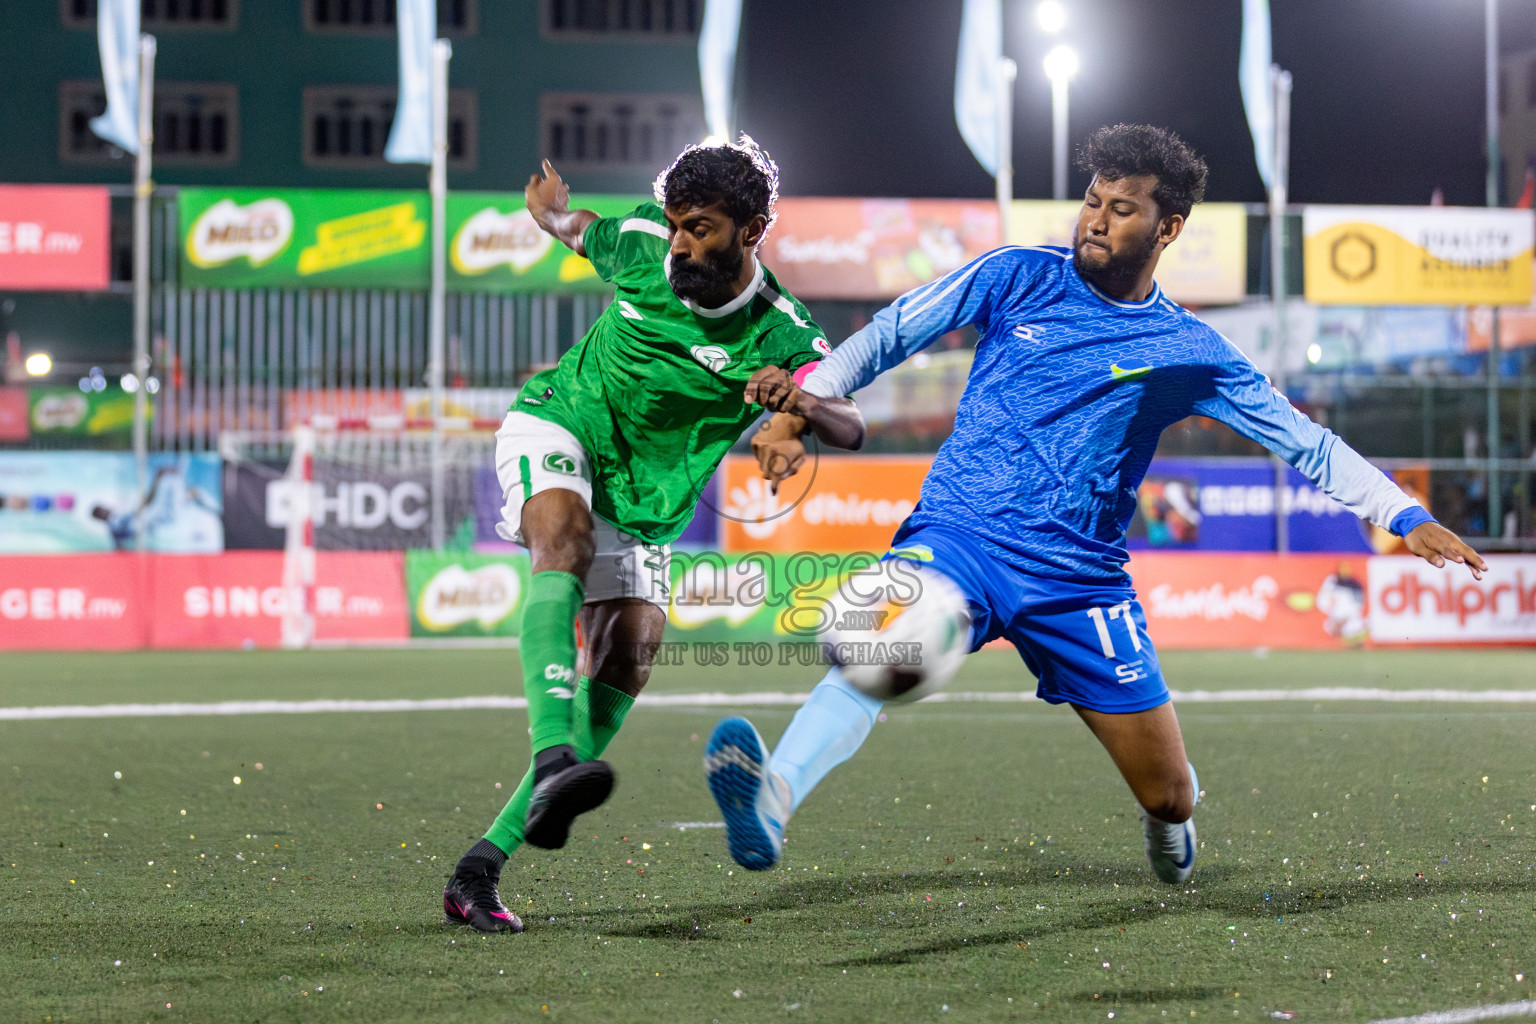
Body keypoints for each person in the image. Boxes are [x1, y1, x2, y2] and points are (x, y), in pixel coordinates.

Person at [704, 123, 1487, 882]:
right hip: (960, 536)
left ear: (1168, 226)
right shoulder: (1016, 273)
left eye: (1123, 208)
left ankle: (1171, 828)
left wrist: (1405, 515)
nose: (1097, 220)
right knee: (880, 650)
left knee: (1168, 792)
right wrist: (796, 409)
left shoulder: (1191, 350)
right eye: (1091, 200)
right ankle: (771, 799)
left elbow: (1303, 442)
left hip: (1080, 581)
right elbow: (888, 335)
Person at [442, 137, 863, 934]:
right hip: (561, 423)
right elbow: (581, 227)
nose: (678, 243)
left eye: (699, 228)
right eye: (674, 224)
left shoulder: (782, 332)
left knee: (631, 651)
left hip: (645, 507)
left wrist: (797, 413)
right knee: (559, 543)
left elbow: (848, 419)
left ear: (753, 229)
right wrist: (550, 213)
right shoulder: (641, 244)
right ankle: (554, 758)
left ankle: (479, 868)